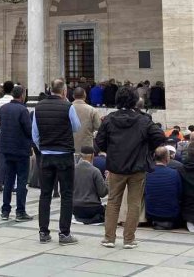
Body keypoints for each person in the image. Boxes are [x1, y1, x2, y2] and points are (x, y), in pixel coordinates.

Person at [95, 86, 166, 248]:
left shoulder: (110, 119)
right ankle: (129, 239)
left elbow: (99, 142)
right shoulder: (143, 119)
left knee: (113, 201)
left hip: (116, 166)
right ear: (135, 100)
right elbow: (159, 136)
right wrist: (147, 148)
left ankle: (109, 238)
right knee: (134, 203)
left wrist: (111, 150)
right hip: (137, 167)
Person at [32, 79, 81, 245]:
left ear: (49, 90)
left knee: (45, 194)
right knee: (66, 194)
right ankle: (64, 233)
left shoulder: (38, 107)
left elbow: (35, 134)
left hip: (46, 155)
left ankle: (43, 232)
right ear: (64, 91)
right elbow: (76, 126)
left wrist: (43, 147)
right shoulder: (68, 106)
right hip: (64, 155)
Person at [0, 85, 34, 222]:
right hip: (21, 150)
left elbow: (1, 124)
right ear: (22, 95)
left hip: (7, 149)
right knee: (22, 181)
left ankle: (5, 211)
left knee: (9, 180)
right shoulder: (23, 110)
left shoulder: (3, 108)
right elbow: (28, 130)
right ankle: (20, 211)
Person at [145, 146, 182, 230]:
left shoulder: (147, 173)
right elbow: (180, 194)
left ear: (154, 156)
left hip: (151, 213)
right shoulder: (174, 173)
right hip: (171, 214)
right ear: (167, 158)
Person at [73, 146, 107, 224]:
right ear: (92, 156)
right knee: (111, 210)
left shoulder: (72, 170)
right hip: (92, 208)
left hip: (75, 208)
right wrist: (107, 181)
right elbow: (102, 193)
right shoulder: (95, 171)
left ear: (80, 155)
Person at [71, 87, 101, 163]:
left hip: (70, 147)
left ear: (73, 96)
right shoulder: (92, 110)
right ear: (85, 95)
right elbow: (99, 127)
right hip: (87, 148)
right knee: (87, 169)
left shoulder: (67, 108)